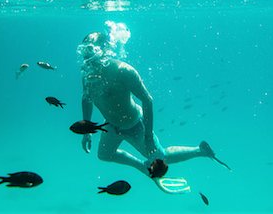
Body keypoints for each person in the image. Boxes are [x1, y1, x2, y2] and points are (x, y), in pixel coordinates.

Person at [76, 24, 229, 193]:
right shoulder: (87, 74)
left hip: (135, 125)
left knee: (161, 158)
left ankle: (199, 150)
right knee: (105, 154)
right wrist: (87, 130)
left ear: (104, 51)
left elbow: (147, 100)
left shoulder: (123, 71)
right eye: (85, 55)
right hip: (111, 125)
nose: (87, 60)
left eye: (91, 54)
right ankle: (143, 167)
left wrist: (148, 135)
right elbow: (86, 98)